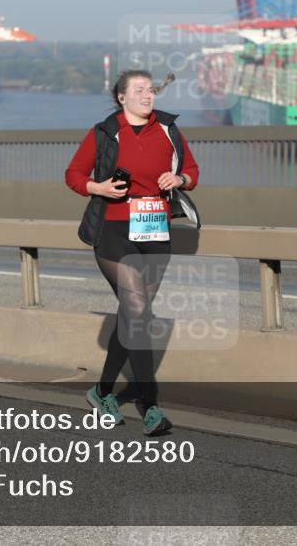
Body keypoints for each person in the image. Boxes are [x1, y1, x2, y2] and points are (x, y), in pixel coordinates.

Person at [65, 69, 199, 436]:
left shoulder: (169, 131)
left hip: (155, 229)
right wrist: (99, 186)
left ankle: (101, 391)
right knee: (138, 310)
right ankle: (150, 405)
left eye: (151, 90)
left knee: (133, 314)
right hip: (114, 230)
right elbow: (73, 174)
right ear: (122, 97)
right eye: (139, 90)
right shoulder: (105, 132)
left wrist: (180, 180)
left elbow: (191, 170)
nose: (147, 95)